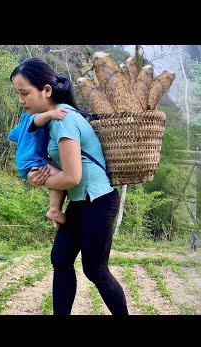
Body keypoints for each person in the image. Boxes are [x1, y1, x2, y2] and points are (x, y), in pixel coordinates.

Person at [10, 57, 129, 315]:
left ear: (47, 91)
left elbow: (72, 177)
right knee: (61, 259)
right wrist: (38, 178)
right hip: (80, 202)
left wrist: (38, 181)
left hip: (98, 201)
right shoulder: (50, 122)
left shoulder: (63, 120)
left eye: (25, 93)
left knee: (95, 269)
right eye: (18, 94)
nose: (21, 100)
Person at [8, 108, 68, 228]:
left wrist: (24, 139)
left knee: (57, 183)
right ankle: (54, 211)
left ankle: (55, 214)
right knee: (62, 178)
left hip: (24, 164)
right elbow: (36, 120)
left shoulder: (23, 123)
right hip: (35, 161)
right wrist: (51, 114)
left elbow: (11, 135)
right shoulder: (36, 116)